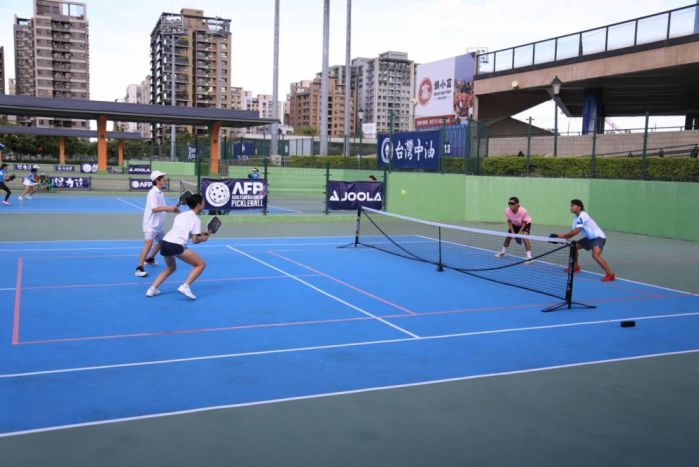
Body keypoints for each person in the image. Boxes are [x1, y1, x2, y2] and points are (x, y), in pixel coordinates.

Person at [146, 193, 209, 299]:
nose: (204, 204)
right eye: (203, 202)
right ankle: (185, 286)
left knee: (170, 268)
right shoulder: (196, 220)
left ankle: (152, 289)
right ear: (198, 205)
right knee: (200, 264)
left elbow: (184, 232)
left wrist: (201, 233)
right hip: (176, 245)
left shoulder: (181, 215)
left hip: (165, 243)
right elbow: (195, 240)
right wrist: (203, 239)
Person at [557, 199, 615, 281]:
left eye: (572, 206)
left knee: (595, 256)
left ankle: (610, 274)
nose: (571, 207)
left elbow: (576, 232)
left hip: (598, 238)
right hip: (589, 238)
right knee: (573, 247)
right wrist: (563, 239)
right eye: (571, 206)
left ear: (579, 207)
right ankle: (575, 267)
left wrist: (563, 235)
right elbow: (572, 232)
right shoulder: (575, 218)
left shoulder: (583, 215)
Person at [135, 171, 180, 277]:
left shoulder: (160, 193)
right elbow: (155, 209)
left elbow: (163, 208)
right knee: (148, 245)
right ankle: (139, 268)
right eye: (162, 178)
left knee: (162, 242)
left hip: (159, 226)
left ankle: (150, 259)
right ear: (157, 180)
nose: (164, 179)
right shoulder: (152, 193)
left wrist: (173, 210)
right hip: (150, 225)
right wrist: (169, 207)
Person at [494, 196, 533, 264]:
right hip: (515, 223)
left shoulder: (523, 211)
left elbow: (524, 223)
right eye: (509, 203)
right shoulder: (507, 211)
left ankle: (529, 257)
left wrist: (518, 234)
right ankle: (503, 252)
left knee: (524, 237)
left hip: (525, 223)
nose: (510, 205)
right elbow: (509, 222)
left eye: (512, 203)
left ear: (517, 204)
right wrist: (512, 233)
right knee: (508, 237)